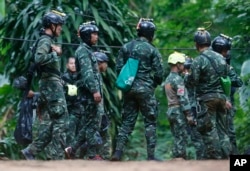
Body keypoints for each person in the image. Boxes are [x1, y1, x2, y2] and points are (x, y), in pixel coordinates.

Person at [111, 18, 164, 161]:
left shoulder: (126, 47)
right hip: (146, 89)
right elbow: (159, 73)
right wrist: (153, 83)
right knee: (150, 122)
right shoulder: (153, 50)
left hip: (128, 89)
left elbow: (118, 69)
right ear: (151, 34)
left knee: (127, 121)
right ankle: (151, 157)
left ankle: (117, 153)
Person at [21, 10, 69, 160]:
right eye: (59, 25)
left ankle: (32, 151)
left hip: (50, 84)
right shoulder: (45, 40)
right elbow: (39, 58)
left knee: (57, 120)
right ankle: (55, 157)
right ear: (52, 25)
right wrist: (56, 53)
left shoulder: (47, 40)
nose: (61, 28)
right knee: (62, 119)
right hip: (51, 84)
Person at [185, 28, 231, 159]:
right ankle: (227, 158)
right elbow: (226, 77)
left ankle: (216, 160)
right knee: (223, 131)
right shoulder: (222, 58)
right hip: (222, 98)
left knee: (209, 129)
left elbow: (193, 81)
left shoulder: (198, 60)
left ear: (197, 44)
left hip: (206, 99)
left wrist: (186, 77)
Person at [64, 21, 103, 160]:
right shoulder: (83, 51)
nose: (96, 36)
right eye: (94, 34)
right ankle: (92, 155)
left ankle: (71, 149)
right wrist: (94, 91)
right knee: (92, 124)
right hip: (88, 94)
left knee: (89, 124)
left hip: (90, 93)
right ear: (87, 35)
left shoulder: (87, 50)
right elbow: (87, 73)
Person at [211, 34, 243, 155]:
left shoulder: (205, 62)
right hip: (224, 102)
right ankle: (231, 159)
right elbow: (238, 82)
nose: (227, 53)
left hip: (208, 103)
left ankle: (217, 161)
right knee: (229, 133)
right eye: (225, 51)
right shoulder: (225, 65)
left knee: (212, 132)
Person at [164, 51, 196, 160]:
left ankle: (176, 158)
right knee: (182, 137)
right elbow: (183, 98)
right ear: (177, 64)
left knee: (176, 136)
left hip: (170, 110)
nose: (183, 66)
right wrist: (189, 115)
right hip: (178, 111)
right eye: (182, 64)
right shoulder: (178, 80)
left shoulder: (168, 79)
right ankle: (180, 159)